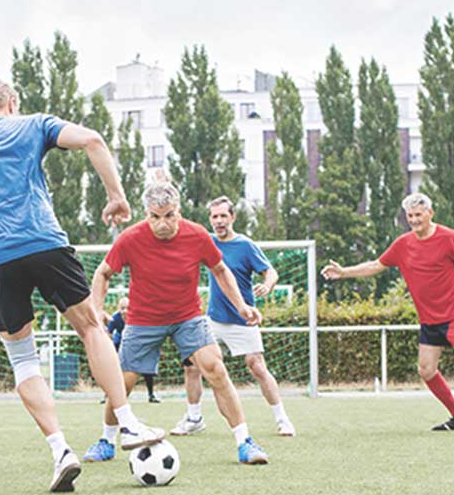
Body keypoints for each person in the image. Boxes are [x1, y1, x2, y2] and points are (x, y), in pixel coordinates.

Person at [0, 80, 164, 493]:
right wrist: (116, 196)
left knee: (23, 360)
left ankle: (61, 449)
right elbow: (93, 140)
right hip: (44, 243)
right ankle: (127, 422)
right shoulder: (33, 125)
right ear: (12, 104)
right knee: (92, 327)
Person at [83, 180, 271, 465]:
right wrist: (97, 311)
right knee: (122, 383)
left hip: (188, 317)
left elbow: (220, 270)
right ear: (147, 214)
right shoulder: (130, 238)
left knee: (215, 369)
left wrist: (242, 307)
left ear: (178, 212)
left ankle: (245, 442)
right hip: (143, 320)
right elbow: (103, 273)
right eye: (155, 217)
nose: (162, 224)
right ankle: (106, 440)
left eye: (169, 215)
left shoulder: (196, 235)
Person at [321, 192, 454, 433]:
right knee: (426, 370)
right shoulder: (403, 244)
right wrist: (344, 272)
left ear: (430, 214)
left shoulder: (450, 238)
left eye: (418, 215)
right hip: (429, 319)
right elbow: (376, 265)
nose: (414, 220)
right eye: (410, 216)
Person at [173, 196, 296, 437]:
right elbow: (179, 225)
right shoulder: (205, 242)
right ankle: (194, 418)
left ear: (233, 217)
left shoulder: (245, 245)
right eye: (214, 216)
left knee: (257, 366)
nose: (218, 221)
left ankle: (282, 419)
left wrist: (268, 285)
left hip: (243, 319)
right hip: (213, 320)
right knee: (191, 366)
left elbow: (270, 272)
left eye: (223, 216)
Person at [105, 297, 160, 403]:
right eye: (122, 308)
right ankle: (108, 395)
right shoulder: (115, 318)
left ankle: (151, 394)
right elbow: (109, 334)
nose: (125, 311)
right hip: (120, 343)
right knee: (115, 369)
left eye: (127, 308)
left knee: (146, 368)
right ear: (118, 308)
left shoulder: (139, 316)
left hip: (138, 343)